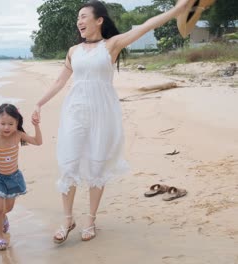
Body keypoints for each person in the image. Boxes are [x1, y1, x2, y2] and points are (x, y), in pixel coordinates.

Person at [31, 0, 190, 244]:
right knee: (68, 164)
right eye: (78, 18)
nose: (79, 21)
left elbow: (146, 26)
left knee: (97, 167)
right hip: (75, 112)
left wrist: (177, 10)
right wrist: (39, 103)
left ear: (99, 20)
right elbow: (59, 82)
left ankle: (91, 219)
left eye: (84, 16)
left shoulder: (111, 45)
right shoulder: (74, 51)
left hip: (102, 114)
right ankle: (67, 219)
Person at [0, 103, 42, 250]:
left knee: (8, 208)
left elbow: (38, 142)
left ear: (17, 123)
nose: (6, 127)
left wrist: (36, 126)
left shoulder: (19, 135)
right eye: (2, 124)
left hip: (13, 178)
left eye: (10, 124)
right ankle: (0, 236)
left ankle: (3, 217)